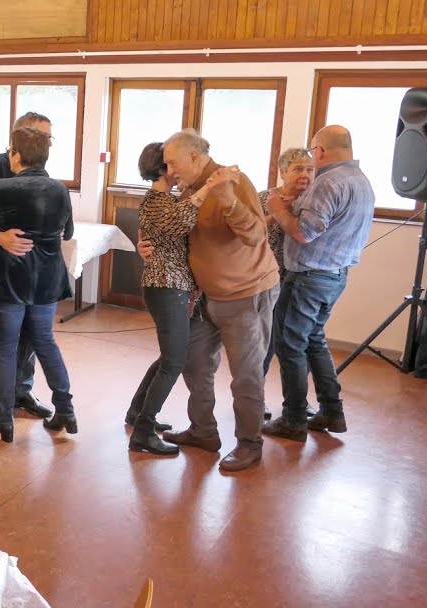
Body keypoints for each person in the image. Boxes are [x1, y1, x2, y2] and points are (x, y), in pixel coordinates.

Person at [154, 131, 279, 472]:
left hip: (246, 294)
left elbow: (256, 236)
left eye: (173, 163)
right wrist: (147, 247)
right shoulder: (190, 190)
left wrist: (229, 201)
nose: (169, 171)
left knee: (246, 375)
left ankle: (250, 443)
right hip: (208, 296)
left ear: (195, 157)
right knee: (193, 362)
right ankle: (203, 431)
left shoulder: (234, 182)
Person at [262, 125, 375, 441]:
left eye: (311, 156)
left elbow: (303, 232)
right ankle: (332, 412)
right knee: (314, 340)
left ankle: (294, 419)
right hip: (335, 276)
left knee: (290, 346)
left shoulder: (328, 183)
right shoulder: (361, 181)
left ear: (320, 150)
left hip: (308, 278)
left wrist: (278, 210)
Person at [0, 124, 75, 444]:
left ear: (16, 155)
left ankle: (3, 419)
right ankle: (65, 410)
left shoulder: (2, 188)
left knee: (4, 348)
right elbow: (67, 232)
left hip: (8, 279)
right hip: (46, 282)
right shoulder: (60, 190)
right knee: (46, 343)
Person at [125, 142, 231, 456]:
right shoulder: (157, 199)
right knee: (174, 361)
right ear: (162, 168)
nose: (177, 168)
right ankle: (143, 432)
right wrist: (207, 188)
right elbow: (178, 223)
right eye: (171, 163)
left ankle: (137, 412)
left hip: (170, 286)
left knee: (168, 357)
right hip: (166, 287)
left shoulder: (166, 198)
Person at [257, 147, 315, 418]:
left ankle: (297, 400)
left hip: (301, 280)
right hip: (267, 280)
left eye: (310, 169)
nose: (305, 175)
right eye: (298, 169)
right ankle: (254, 397)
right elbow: (249, 230)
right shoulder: (264, 198)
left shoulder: (314, 200)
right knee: (264, 343)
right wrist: (278, 213)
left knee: (300, 343)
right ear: (283, 172)